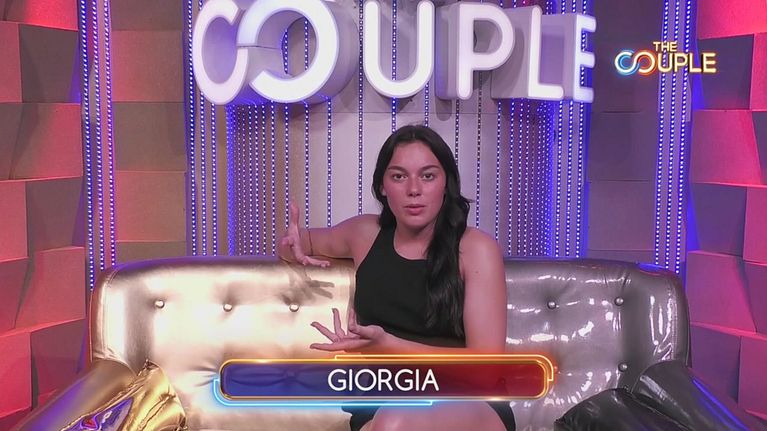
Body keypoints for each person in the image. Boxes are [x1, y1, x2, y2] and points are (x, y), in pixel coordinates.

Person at [277, 124, 515, 431]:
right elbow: (298, 244)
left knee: (395, 421)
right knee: (389, 420)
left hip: (468, 402)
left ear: (446, 184)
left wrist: (388, 345)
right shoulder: (364, 234)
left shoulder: (476, 248)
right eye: (399, 176)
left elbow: (485, 370)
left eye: (428, 176)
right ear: (382, 186)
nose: (413, 189)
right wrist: (292, 247)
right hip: (381, 404)